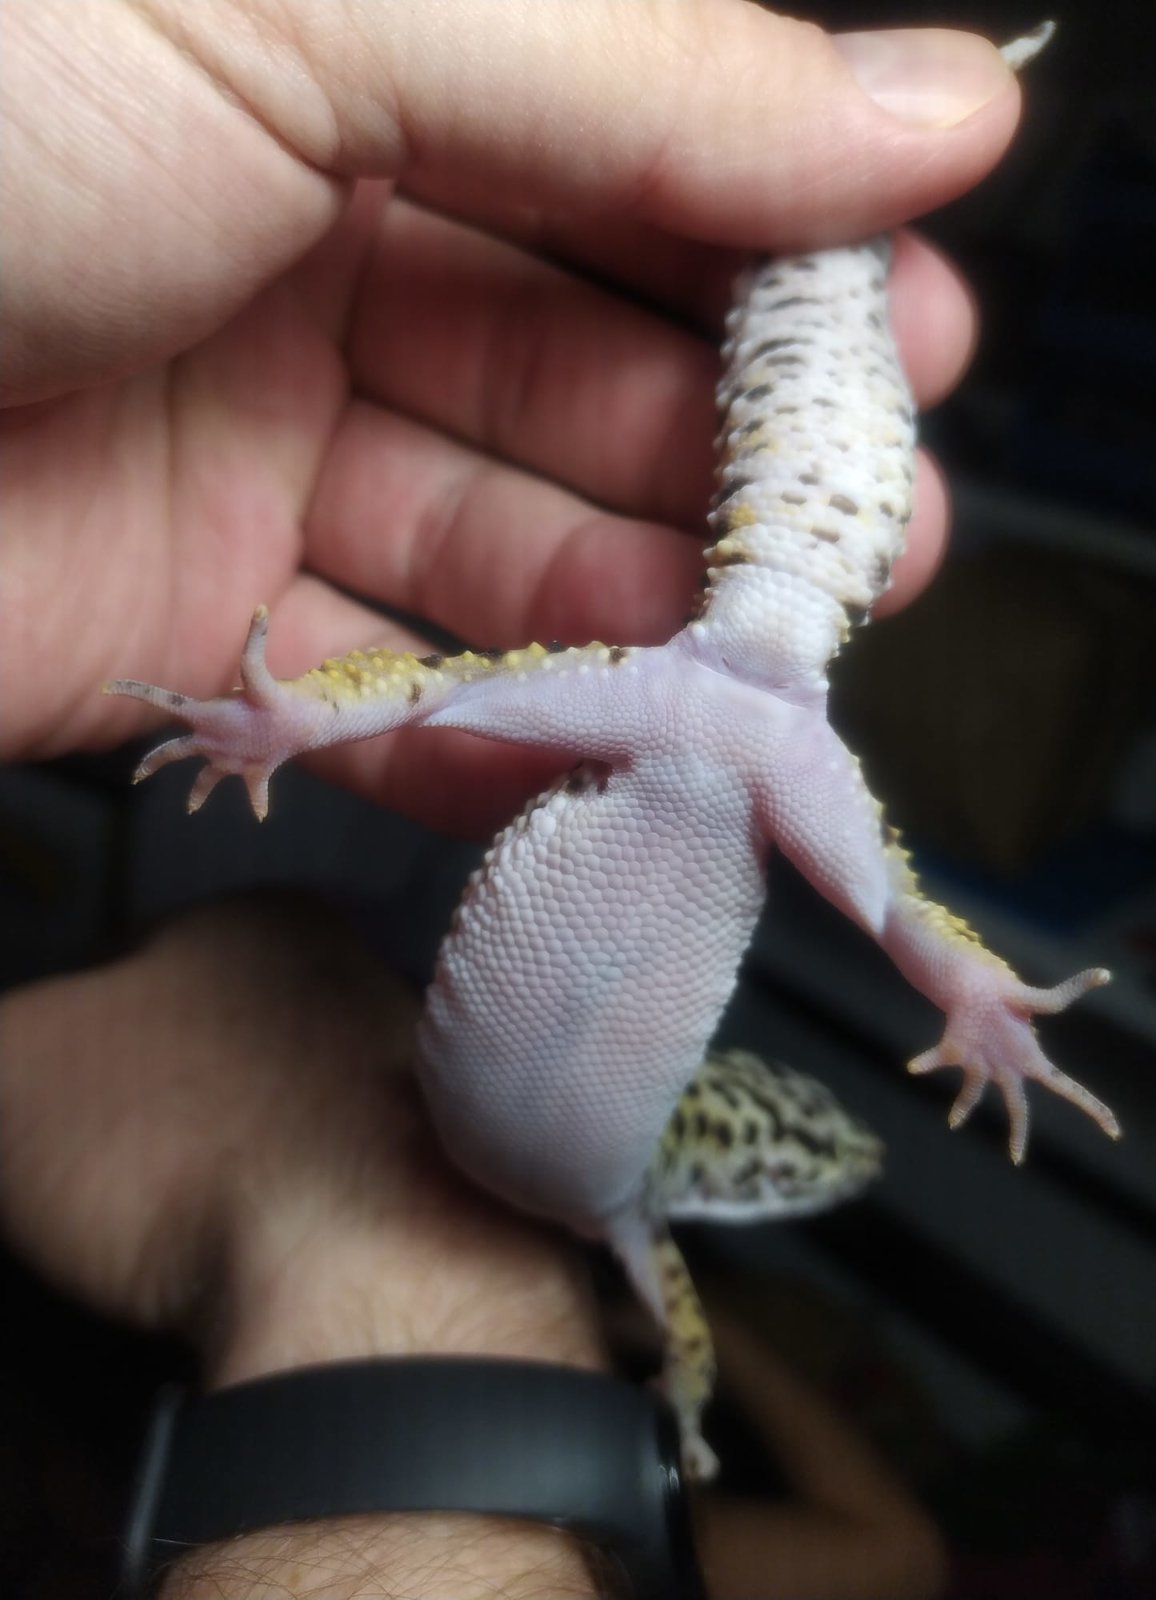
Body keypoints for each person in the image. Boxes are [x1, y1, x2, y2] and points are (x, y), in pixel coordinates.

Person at [0, 4, 1028, 1593]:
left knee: (441, 694)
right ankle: (841, 201)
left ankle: (839, 214)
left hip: (698, 698)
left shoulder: (632, 1206)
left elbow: (442, 696)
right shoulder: (636, 1217)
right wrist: (971, 997)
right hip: (725, 695)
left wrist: (972, 998)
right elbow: (900, 920)